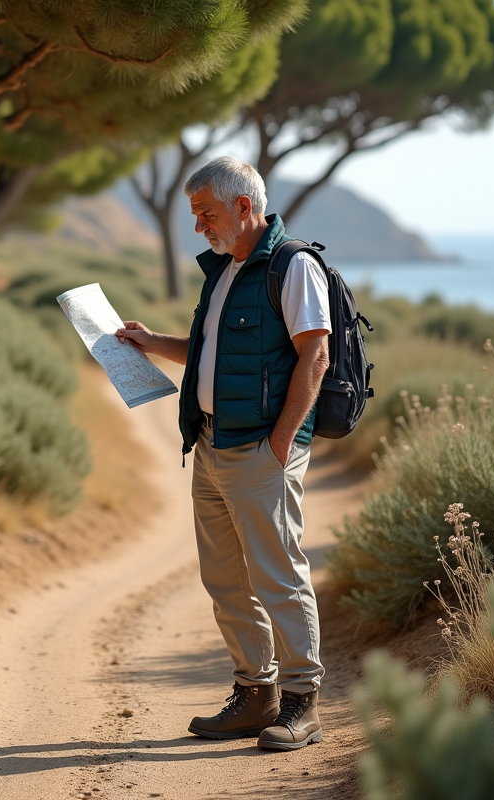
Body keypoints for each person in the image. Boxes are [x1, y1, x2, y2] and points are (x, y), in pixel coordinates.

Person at [116, 156, 331, 751]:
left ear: (243, 205)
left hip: (262, 451)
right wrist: (150, 342)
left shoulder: (293, 267)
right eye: (194, 215)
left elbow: (315, 356)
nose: (198, 226)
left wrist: (279, 445)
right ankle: (255, 693)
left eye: (205, 213)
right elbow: (210, 351)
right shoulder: (225, 270)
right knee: (225, 581)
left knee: (277, 576)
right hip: (211, 446)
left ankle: (303, 703)